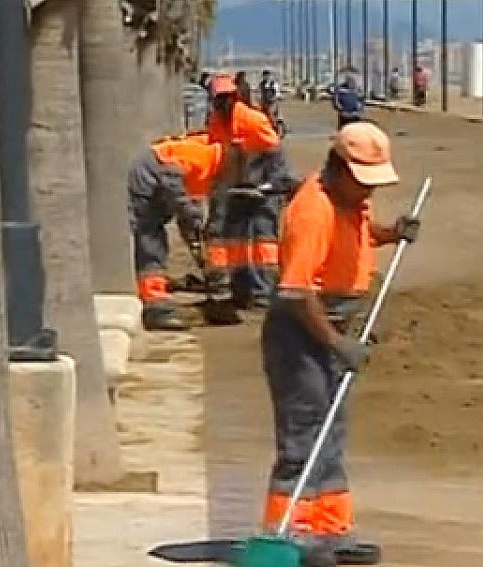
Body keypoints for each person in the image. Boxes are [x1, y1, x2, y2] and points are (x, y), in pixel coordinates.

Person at [259, 121, 420, 565]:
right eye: (362, 183)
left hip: (333, 326)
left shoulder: (351, 201)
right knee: (304, 431)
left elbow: (359, 237)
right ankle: (289, 531)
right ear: (339, 167)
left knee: (331, 428)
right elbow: (297, 291)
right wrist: (335, 343)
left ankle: (330, 528)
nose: (368, 194)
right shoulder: (312, 209)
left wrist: (392, 234)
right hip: (301, 331)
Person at [206, 74, 297, 310]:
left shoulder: (252, 120)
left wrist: (269, 186)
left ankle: (263, 293)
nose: (222, 103)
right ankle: (241, 289)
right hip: (238, 185)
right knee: (234, 240)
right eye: (218, 99)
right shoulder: (216, 122)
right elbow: (220, 158)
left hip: (264, 184)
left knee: (263, 239)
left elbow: (275, 155)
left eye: (227, 98)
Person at [128, 131, 232, 331]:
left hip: (154, 178)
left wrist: (194, 242)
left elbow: (187, 209)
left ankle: (155, 294)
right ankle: (154, 304)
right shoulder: (203, 157)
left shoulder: (207, 167)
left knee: (155, 237)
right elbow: (173, 185)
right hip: (146, 179)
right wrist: (190, 215)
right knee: (151, 239)